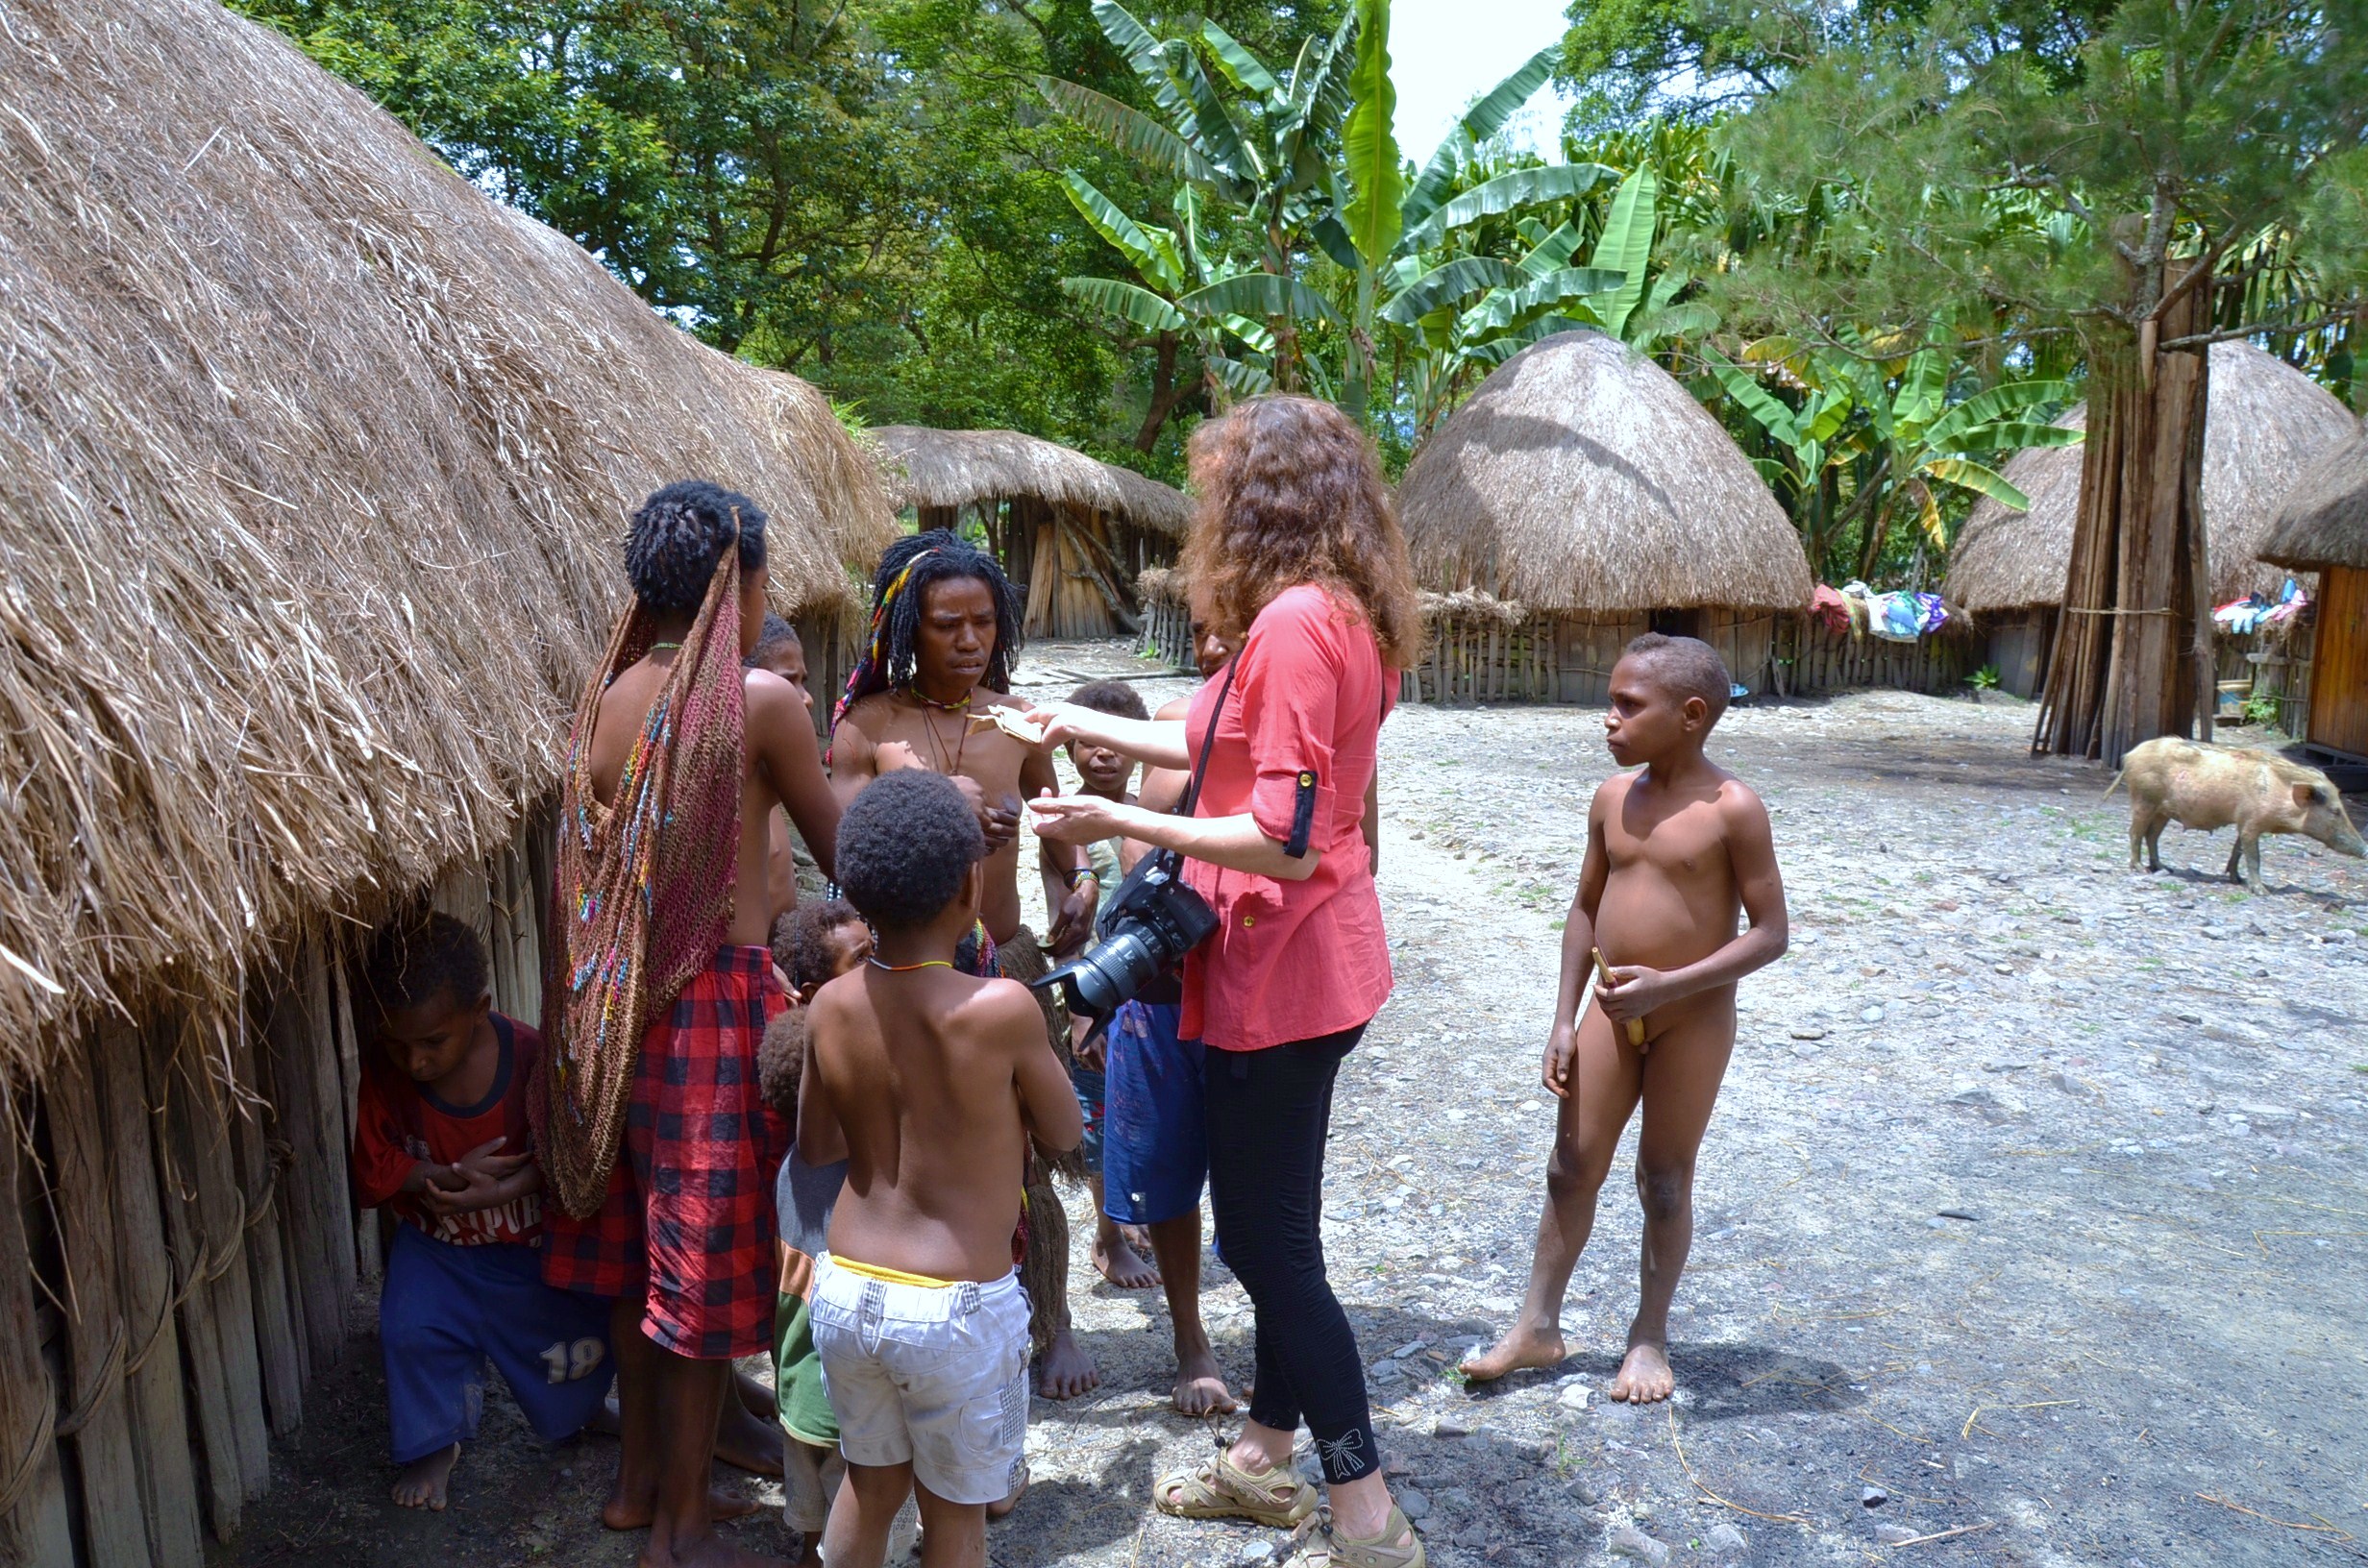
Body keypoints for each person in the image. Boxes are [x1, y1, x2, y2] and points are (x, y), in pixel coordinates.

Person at [1027, 395, 1425, 1568]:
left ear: (1255, 502)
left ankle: (1363, 1508)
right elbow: (1224, 741)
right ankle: (1261, 1455)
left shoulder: (1297, 621)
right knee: (1279, 1225)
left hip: (1285, 967)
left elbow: (1284, 832)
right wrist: (1066, 720)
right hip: (1318, 957)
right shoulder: (1340, 610)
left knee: (1269, 1248)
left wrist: (1110, 814)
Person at [538, 479, 841, 1568]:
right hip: (711, 1005)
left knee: (635, 1264)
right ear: (739, 585)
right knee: (703, 1280)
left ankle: (634, 1494)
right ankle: (679, 1528)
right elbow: (843, 851)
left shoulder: (607, 698)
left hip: (609, 1013)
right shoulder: (760, 701)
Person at [1460, 634, 1788, 1403]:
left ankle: (1649, 1337)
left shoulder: (1732, 809)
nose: (1607, 719)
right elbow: (1582, 909)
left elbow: (1771, 934)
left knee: (1664, 1179)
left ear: (1691, 715)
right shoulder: (1613, 799)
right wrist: (1563, 1019)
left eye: (1627, 706)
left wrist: (1670, 986)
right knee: (1570, 1166)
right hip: (1611, 1009)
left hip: (1692, 1019)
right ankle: (1538, 1328)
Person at [828, 529, 1101, 1401]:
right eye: (948, 624)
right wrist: (915, 793)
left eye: (984, 622)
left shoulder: (1018, 722)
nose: (970, 640)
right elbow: (842, 846)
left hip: (1007, 964)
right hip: (905, 972)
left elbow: (1060, 829)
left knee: (1033, 1153)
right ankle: (926, 1317)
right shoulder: (868, 727)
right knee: (923, 1149)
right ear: (910, 626)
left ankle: (1048, 1323)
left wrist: (1079, 882)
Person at [797, 771, 1084, 1568]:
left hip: (849, 1289)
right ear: (972, 883)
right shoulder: (999, 1010)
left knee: (872, 1484)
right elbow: (1065, 1130)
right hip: (957, 1310)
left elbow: (816, 1145)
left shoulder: (832, 1006)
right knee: (956, 1516)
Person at [352, 911, 613, 1512]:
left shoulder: (531, 1059)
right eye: (398, 1045)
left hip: (526, 1248)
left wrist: (510, 1188)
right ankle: (433, 1445)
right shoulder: (385, 1073)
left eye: (431, 1042)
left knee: (567, 1337)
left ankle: (585, 1412)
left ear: (479, 1009)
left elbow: (573, 1150)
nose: (414, 1062)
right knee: (411, 1330)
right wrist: (436, 1176)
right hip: (435, 1247)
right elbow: (372, 1166)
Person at [1098, 628, 1240, 1417]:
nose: (1215, 641)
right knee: (1170, 1173)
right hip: (1168, 990)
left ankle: (1285, 1328)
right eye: (1199, 629)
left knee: (1264, 1182)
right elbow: (1138, 870)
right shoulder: (1176, 726)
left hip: (1264, 992)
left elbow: (1356, 858)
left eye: (1233, 624)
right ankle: (1191, 1337)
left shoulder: (1321, 731)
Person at [755, 900, 875, 1568]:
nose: (881, 966)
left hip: (799, 1389)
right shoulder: (846, 1162)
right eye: (863, 959)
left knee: (813, 1526)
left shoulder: (787, 1173)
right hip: (849, 1396)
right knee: (860, 1509)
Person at [1038, 677, 1161, 1293]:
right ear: (1069, 751)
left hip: (1152, 986)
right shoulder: (1063, 824)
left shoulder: (1155, 811)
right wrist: (1085, 1014)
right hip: (1094, 991)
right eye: (1087, 743)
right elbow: (1068, 926)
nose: (1103, 755)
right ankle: (1107, 1239)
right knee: (1101, 1115)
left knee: (1147, 1111)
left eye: (1114, 743)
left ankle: (1134, 1213)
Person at [748, 613, 819, 927]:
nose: (807, 699)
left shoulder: (774, 786)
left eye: (804, 680)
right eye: (788, 681)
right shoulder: (734, 792)